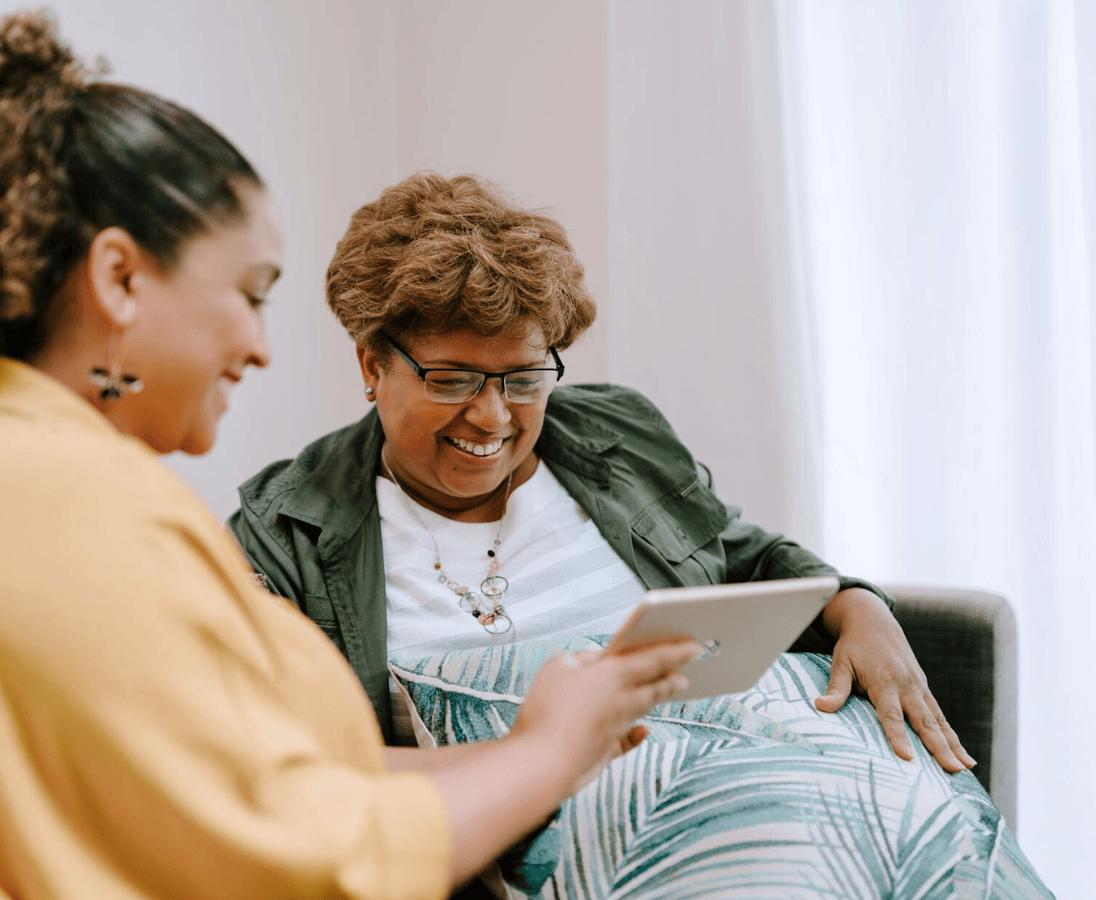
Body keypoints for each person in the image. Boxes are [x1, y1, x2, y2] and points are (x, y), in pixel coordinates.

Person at [0, 14, 699, 900]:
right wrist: (548, 754)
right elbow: (308, 863)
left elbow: (259, 784)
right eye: (249, 293)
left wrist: (530, 746)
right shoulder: (68, 507)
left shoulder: (14, 469)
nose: (262, 347)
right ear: (119, 279)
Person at [230, 172, 974, 773]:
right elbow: (290, 771)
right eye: (452, 380)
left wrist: (856, 606)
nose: (492, 418)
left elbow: (748, 561)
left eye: (523, 378)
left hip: (727, 787)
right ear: (372, 365)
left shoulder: (615, 435)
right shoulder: (286, 533)